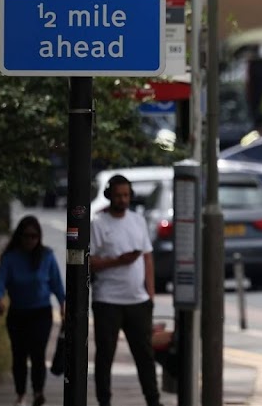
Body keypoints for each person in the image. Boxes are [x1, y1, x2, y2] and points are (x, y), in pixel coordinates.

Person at [90, 174, 161, 406]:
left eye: (126, 195)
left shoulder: (138, 220)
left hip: (137, 300)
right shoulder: (98, 225)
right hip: (107, 299)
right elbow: (89, 262)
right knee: (105, 355)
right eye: (118, 195)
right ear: (110, 195)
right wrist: (119, 261)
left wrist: (150, 295)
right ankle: (104, 401)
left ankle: (153, 399)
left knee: (144, 355)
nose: (122, 200)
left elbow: (147, 258)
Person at [0, 216, 65, 406]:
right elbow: (0, 283)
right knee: (19, 355)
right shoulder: (10, 258)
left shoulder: (46, 256)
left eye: (34, 236)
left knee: (38, 353)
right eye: (26, 236)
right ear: (20, 237)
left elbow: (56, 283)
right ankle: (21, 393)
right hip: (18, 313)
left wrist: (63, 303)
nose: (30, 240)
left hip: (41, 312)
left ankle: (38, 391)